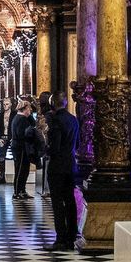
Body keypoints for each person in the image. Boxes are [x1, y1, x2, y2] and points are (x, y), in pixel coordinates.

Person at [46, 90, 81, 251]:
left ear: (53, 103)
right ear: (66, 103)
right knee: (70, 201)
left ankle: (60, 238)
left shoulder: (55, 121)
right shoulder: (74, 120)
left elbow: (55, 147)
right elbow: (78, 144)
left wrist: (46, 149)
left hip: (57, 167)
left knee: (58, 203)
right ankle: (72, 236)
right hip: (71, 165)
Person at [11, 99, 36, 200]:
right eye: (29, 108)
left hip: (22, 148)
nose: (30, 110)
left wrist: (29, 115)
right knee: (20, 170)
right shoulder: (20, 119)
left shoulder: (22, 118)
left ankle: (22, 190)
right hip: (20, 148)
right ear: (25, 108)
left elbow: (33, 124)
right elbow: (22, 134)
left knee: (24, 170)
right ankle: (17, 192)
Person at [0, 98, 12, 185]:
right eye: (4, 104)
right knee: (1, 157)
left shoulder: (15, 114)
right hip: (3, 138)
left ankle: (17, 178)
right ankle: (2, 177)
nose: (5, 106)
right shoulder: (0, 115)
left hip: (12, 138)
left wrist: (14, 138)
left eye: (7, 104)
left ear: (11, 104)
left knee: (16, 157)